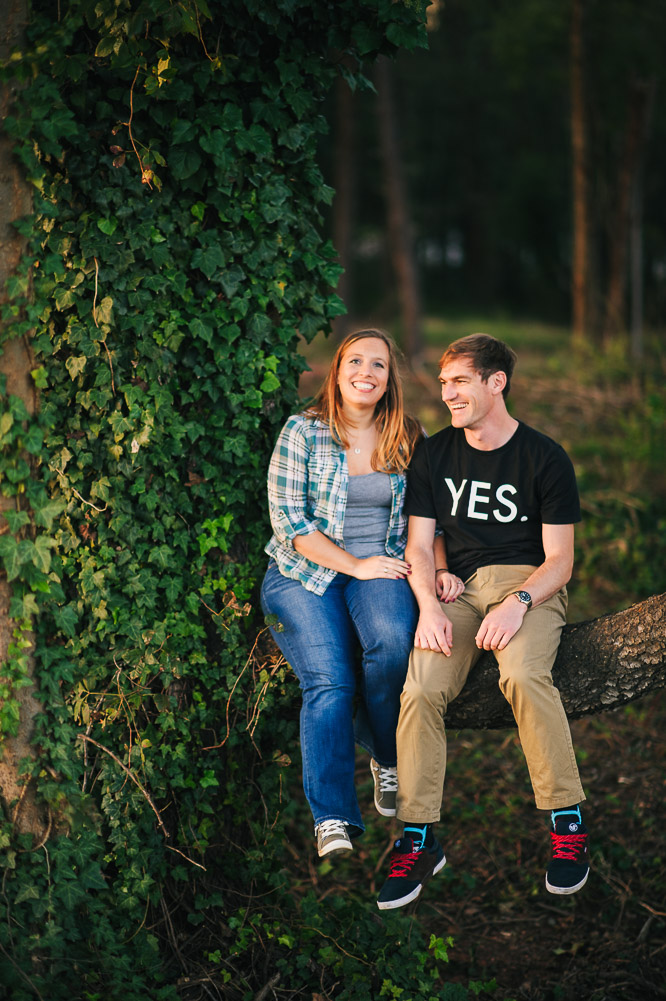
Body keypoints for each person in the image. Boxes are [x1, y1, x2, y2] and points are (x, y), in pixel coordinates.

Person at [376, 333, 589, 910]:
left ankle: (566, 824)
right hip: (456, 591)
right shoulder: (435, 453)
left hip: (528, 587)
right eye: (444, 383)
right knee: (419, 688)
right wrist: (428, 607)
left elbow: (561, 562)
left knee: (521, 676)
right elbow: (419, 547)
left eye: (460, 381)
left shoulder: (544, 457)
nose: (448, 394)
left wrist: (519, 601)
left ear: (497, 383)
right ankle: (419, 836)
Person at [261, 329, 442, 858]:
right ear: (338, 371)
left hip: (384, 563)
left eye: (379, 365)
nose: (366, 372)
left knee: (389, 643)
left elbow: (428, 518)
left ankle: (385, 754)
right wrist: (354, 566)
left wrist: (435, 571)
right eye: (356, 361)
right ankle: (333, 817)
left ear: (390, 379)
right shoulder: (302, 431)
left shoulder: (408, 435)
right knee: (331, 679)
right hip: (303, 572)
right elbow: (289, 524)